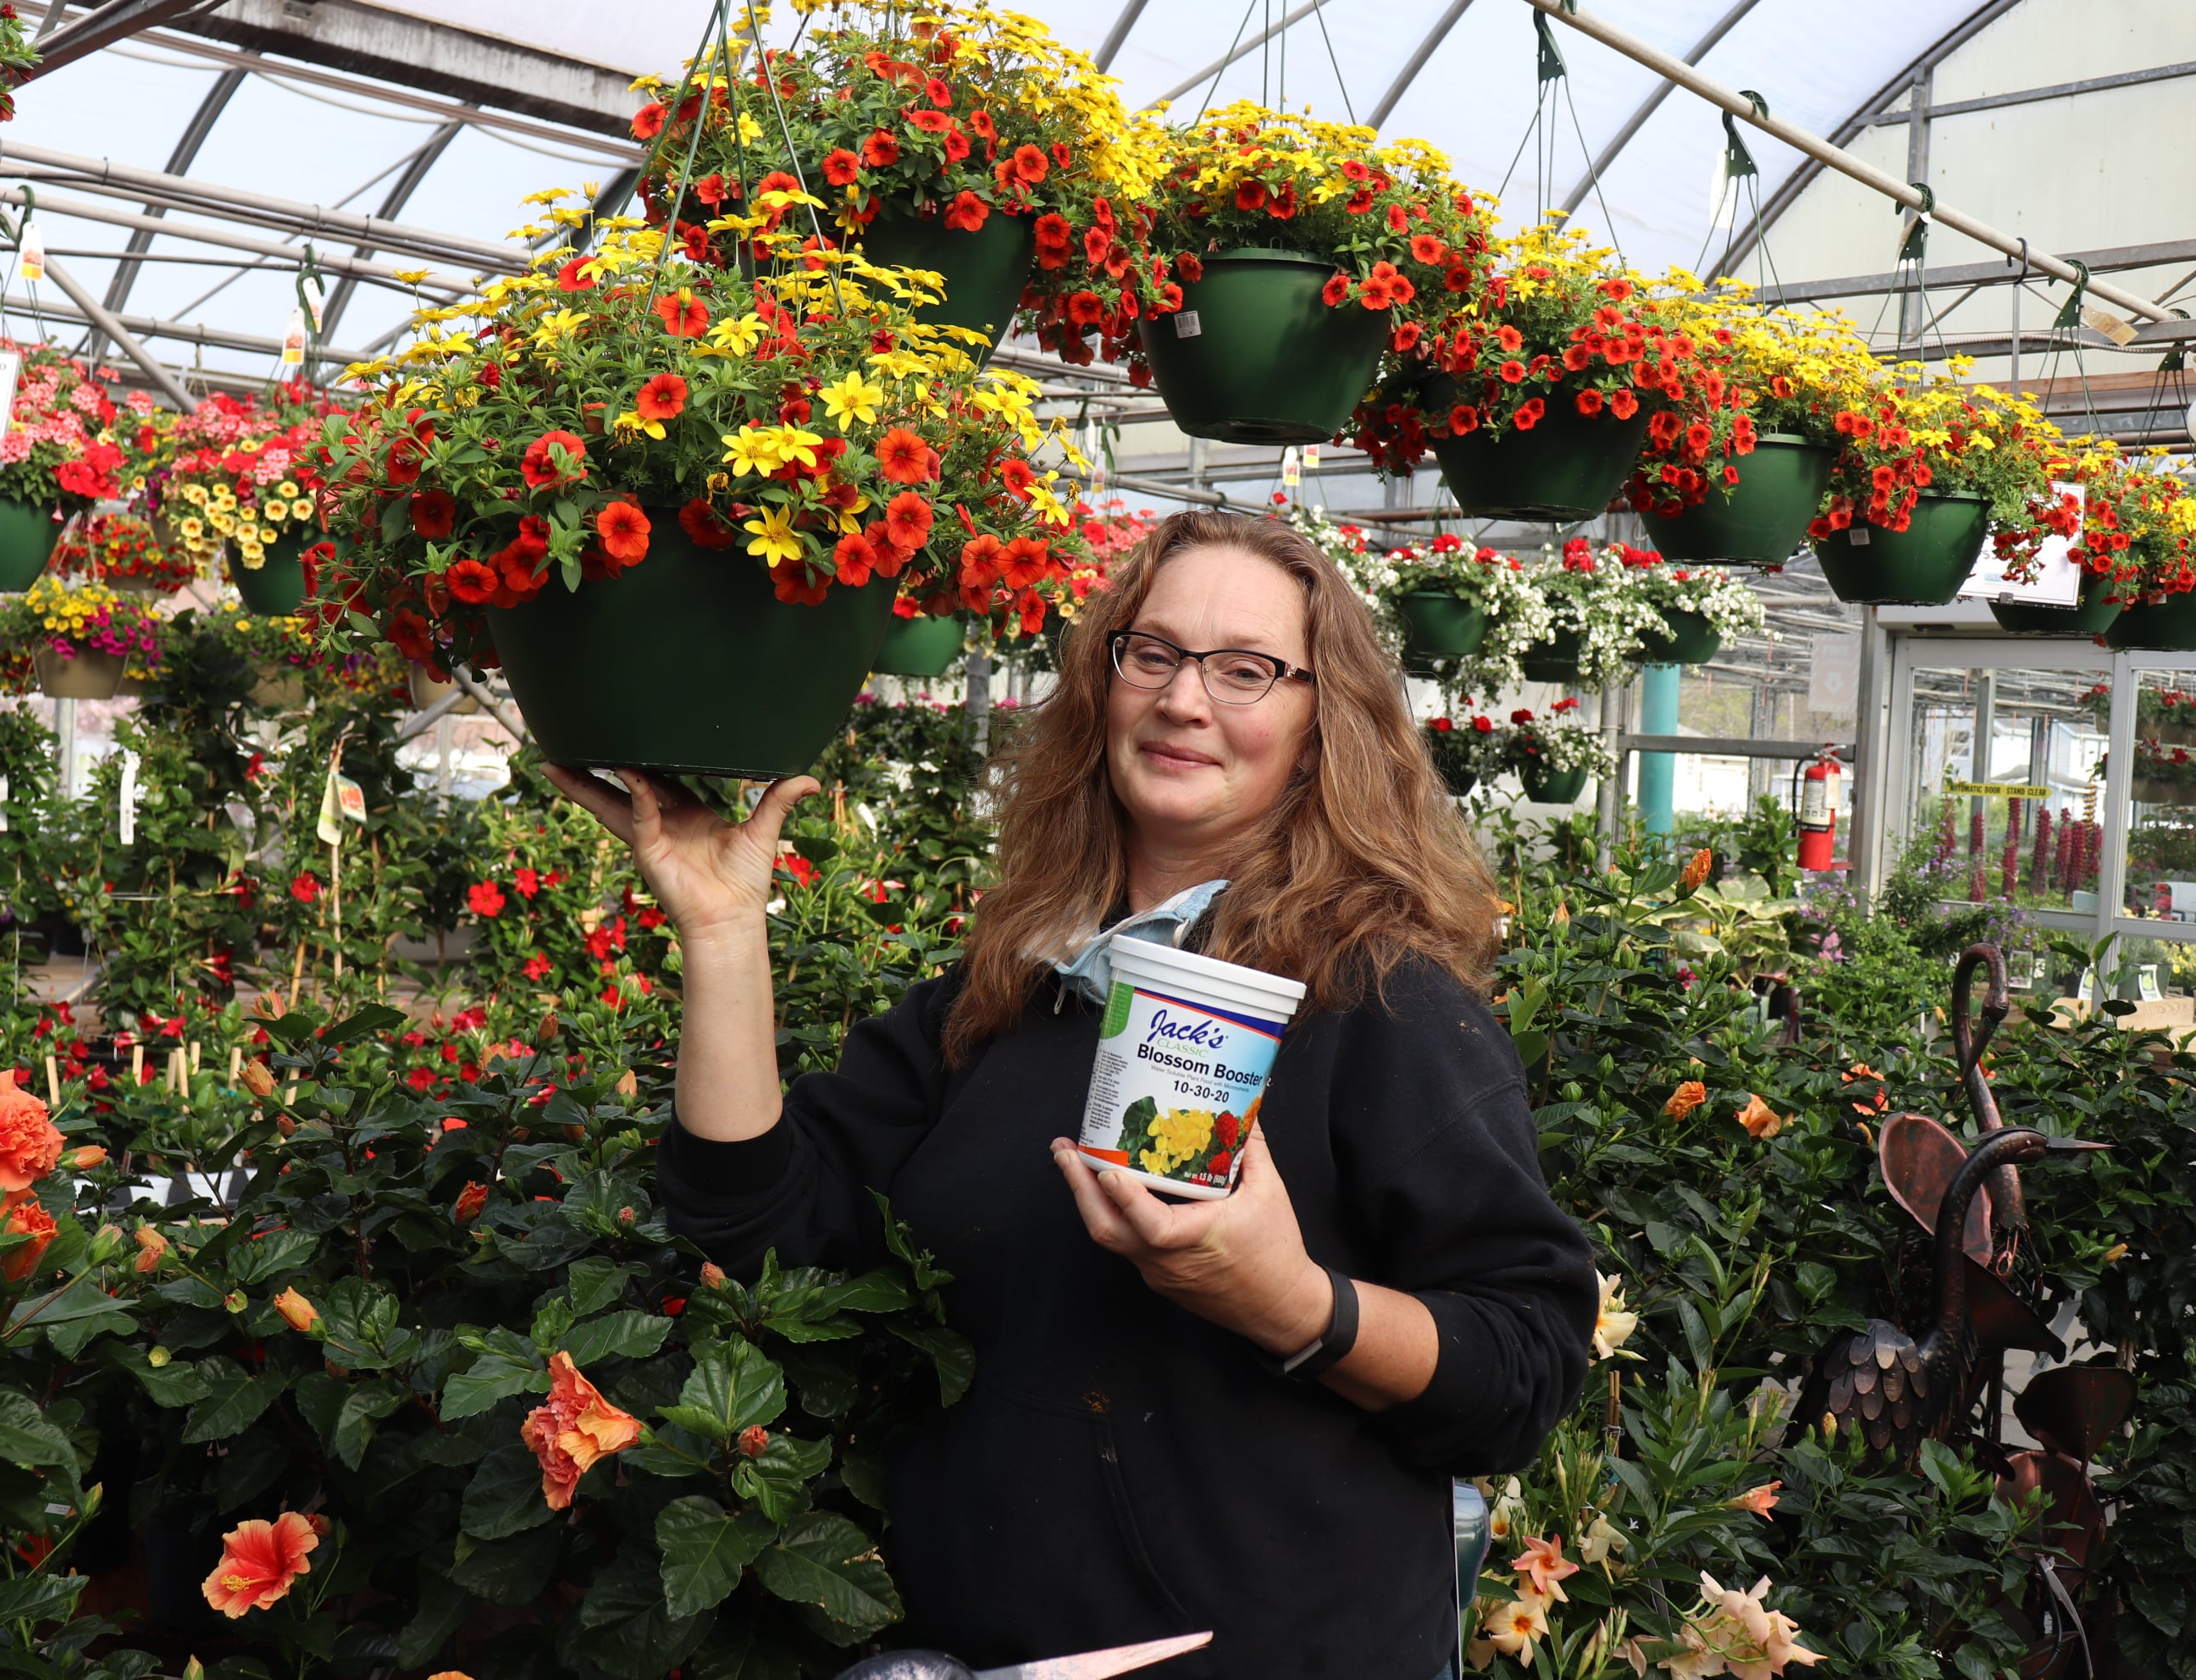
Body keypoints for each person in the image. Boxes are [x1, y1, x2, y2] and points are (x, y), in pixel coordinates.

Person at [549, 510, 1596, 1680]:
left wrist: (1293, 1301)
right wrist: (724, 926)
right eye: (1150, 653)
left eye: (1245, 670)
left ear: (1318, 731)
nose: (1184, 700)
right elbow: (760, 1217)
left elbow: (1524, 1366)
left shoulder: (1377, 1002)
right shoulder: (1017, 987)